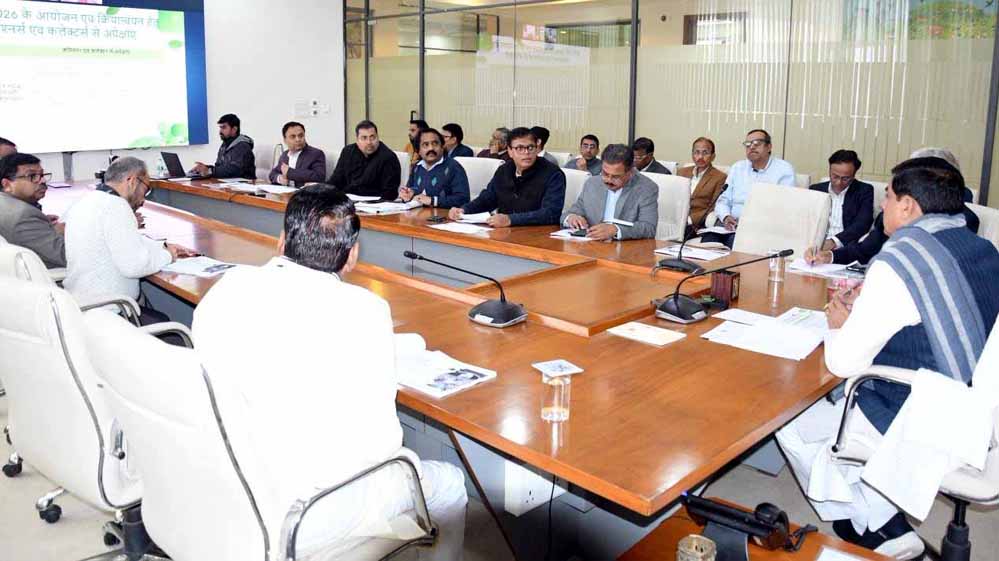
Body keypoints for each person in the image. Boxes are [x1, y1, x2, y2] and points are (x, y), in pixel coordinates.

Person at [193, 186, 467, 561]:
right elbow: (382, 444)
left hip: (230, 487)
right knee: (450, 484)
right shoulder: (364, 309)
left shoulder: (227, 288)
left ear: (281, 240)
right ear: (352, 255)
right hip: (312, 511)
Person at [776, 156, 999, 560]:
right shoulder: (984, 249)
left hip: (925, 413)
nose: (883, 206)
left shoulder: (900, 261)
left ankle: (869, 526)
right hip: (981, 409)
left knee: (785, 413)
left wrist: (840, 324)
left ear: (909, 206)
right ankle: (885, 520)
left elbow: (842, 363)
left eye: (890, 197)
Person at [806, 147, 980, 266]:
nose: (883, 205)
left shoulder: (962, 222)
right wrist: (830, 256)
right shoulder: (888, 215)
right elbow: (866, 249)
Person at [64, 157, 187, 323]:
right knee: (169, 326)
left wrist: (163, 246)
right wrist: (169, 255)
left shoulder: (87, 200)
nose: (144, 199)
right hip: (111, 313)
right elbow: (135, 266)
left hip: (81, 307)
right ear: (132, 181)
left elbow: (122, 240)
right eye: (146, 188)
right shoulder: (117, 207)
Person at [449, 127, 565, 227]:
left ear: (536, 149)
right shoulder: (504, 170)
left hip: (537, 234)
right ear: (510, 151)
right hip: (504, 231)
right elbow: (487, 199)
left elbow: (551, 213)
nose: (526, 152)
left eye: (530, 147)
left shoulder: (553, 174)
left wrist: (511, 219)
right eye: (519, 148)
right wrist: (464, 210)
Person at [701, 129, 796, 247]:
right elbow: (723, 200)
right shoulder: (737, 168)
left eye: (757, 143)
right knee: (707, 242)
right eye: (748, 144)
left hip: (759, 228)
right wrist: (726, 217)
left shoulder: (784, 170)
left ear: (769, 147)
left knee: (733, 244)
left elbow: (784, 208)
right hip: (729, 225)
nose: (751, 147)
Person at [562, 144, 658, 240]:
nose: (609, 180)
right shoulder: (592, 183)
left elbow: (649, 228)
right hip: (590, 244)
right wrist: (571, 218)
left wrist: (616, 230)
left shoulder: (646, 188)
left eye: (616, 176)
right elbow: (569, 214)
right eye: (605, 173)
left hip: (625, 247)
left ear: (630, 173)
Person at [0, 153, 66, 268]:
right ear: (7, 184)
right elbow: (66, 254)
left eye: (42, 175)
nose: (42, 180)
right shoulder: (23, 216)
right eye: (32, 176)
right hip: (50, 275)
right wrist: (67, 233)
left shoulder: (6, 204)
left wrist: (41, 224)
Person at [809, 150, 874, 250]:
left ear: (854, 175)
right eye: (835, 176)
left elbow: (863, 224)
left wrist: (834, 242)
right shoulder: (816, 189)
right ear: (829, 171)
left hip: (845, 246)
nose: (839, 182)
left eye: (845, 178)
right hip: (814, 244)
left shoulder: (864, 191)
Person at [328, 120, 402, 201]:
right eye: (364, 138)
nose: (369, 142)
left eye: (372, 137)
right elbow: (335, 180)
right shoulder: (348, 151)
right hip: (347, 200)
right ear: (357, 140)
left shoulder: (388, 157)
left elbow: (390, 193)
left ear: (378, 137)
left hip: (375, 203)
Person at [399, 128, 470, 209]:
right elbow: (412, 190)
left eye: (435, 144)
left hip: (443, 215)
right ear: (418, 151)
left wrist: (433, 201)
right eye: (425, 145)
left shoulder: (454, 167)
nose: (431, 148)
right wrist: (408, 195)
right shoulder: (417, 167)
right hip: (418, 214)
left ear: (442, 147)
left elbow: (463, 199)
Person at [676, 137, 727, 236]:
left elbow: (714, 207)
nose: (700, 157)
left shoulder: (720, 177)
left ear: (713, 156)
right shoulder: (682, 172)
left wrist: (689, 220)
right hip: (675, 218)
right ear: (692, 154)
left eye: (705, 153)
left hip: (694, 224)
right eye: (697, 152)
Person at [192, 114, 256, 179]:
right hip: (228, 182)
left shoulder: (243, 146)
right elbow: (219, 166)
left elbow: (235, 170)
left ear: (234, 129)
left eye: (224, 128)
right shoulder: (224, 145)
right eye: (220, 128)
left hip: (244, 183)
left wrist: (210, 171)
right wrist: (205, 168)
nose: (220, 131)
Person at [268, 121, 327, 187]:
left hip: (302, 192)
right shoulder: (285, 155)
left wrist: (290, 173)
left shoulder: (316, 154)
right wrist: (280, 178)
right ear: (285, 140)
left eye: (301, 136)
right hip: (285, 191)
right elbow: (272, 174)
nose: (298, 139)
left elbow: (319, 176)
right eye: (293, 137)